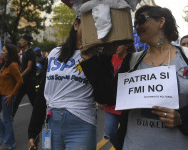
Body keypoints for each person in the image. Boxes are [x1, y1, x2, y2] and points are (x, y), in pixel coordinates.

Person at [80, 5, 188, 150]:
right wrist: (94, 59)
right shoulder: (132, 61)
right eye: (135, 23)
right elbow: (108, 97)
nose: (137, 26)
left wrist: (182, 117)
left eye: (141, 19)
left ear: (161, 22)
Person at [42, 17, 97, 150]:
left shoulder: (97, 56)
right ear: (76, 24)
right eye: (91, 24)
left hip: (81, 124)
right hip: (51, 122)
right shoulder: (55, 53)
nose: (94, 29)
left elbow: (104, 96)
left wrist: (94, 59)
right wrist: (32, 132)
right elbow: (42, 93)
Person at [99, 43, 135, 148]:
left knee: (127, 133)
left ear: (127, 45)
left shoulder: (133, 59)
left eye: (119, 44)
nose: (116, 47)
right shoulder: (111, 58)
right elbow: (104, 80)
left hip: (127, 105)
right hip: (111, 104)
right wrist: (101, 99)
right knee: (109, 131)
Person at [0, 43, 23, 150]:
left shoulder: (13, 65)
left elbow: (20, 81)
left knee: (7, 120)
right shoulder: (5, 64)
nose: (1, 52)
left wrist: (12, 94)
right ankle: (6, 138)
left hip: (7, 96)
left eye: (4, 50)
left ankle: (8, 143)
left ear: (9, 53)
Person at [13, 34, 37, 117]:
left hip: (30, 81)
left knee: (34, 102)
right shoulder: (23, 52)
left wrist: (20, 75)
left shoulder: (31, 53)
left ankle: (41, 118)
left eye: (22, 40)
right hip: (23, 81)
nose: (21, 41)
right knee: (16, 101)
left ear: (26, 42)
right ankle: (9, 119)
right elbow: (22, 65)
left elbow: (29, 68)